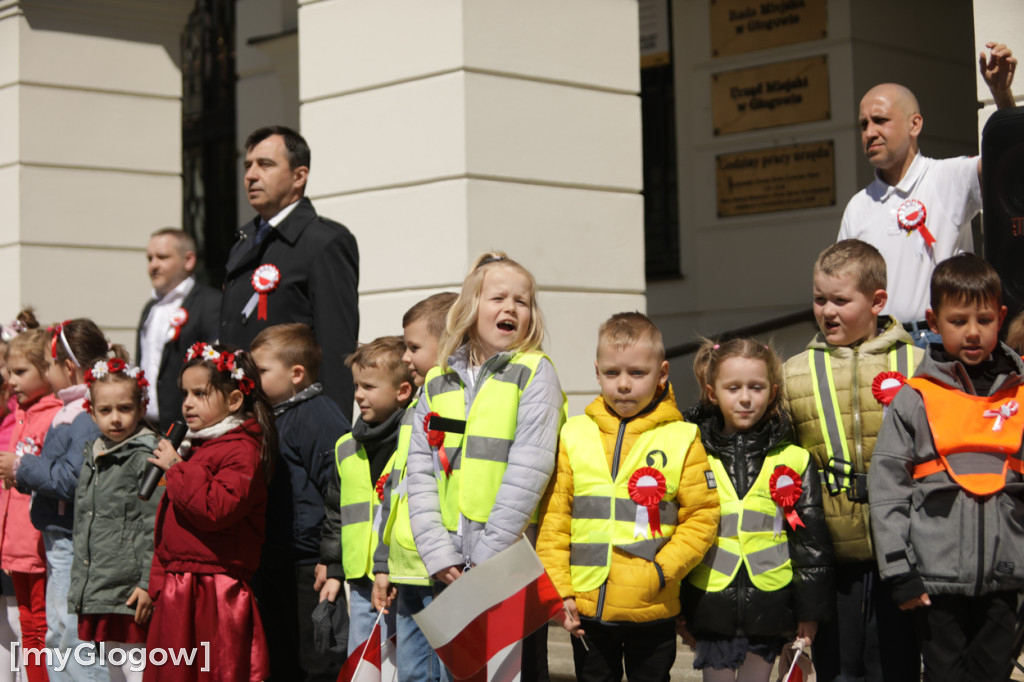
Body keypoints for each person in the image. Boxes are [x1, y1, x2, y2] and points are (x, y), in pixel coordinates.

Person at [407, 252, 568, 681]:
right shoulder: (439, 377)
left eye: (523, 301)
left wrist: (487, 556)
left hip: (503, 561)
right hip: (449, 560)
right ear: (471, 307)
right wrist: (436, 550)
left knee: (507, 674)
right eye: (499, 297)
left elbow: (529, 470)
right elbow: (419, 470)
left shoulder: (535, 373)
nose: (512, 308)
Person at [536, 312, 720, 682]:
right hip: (587, 606)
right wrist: (560, 591)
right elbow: (555, 521)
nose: (623, 384)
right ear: (597, 372)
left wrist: (663, 570)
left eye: (637, 374)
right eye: (612, 373)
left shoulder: (683, 436)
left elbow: (702, 516)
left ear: (662, 373)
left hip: (652, 606)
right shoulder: (574, 433)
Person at [870, 253, 1023, 681]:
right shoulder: (914, 397)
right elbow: (888, 489)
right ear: (934, 322)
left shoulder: (1021, 395)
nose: (973, 332)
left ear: (1001, 318)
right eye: (958, 321)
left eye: (985, 319)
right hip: (933, 582)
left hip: (1005, 577)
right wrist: (899, 570)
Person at [782, 240, 923, 681]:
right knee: (839, 670)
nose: (827, 311)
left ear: (877, 301)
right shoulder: (794, 371)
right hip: (832, 554)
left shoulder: (919, 362)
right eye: (820, 298)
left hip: (901, 550)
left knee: (895, 666)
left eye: (841, 300)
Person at [837, 42, 1016, 346]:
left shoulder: (949, 176)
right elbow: (843, 288)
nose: (869, 133)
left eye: (880, 120)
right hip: (878, 347)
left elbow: (1013, 165)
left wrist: (1001, 95)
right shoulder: (858, 206)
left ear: (914, 124)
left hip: (942, 344)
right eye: (863, 125)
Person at [682, 338, 833, 682]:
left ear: (773, 391)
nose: (746, 397)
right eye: (733, 388)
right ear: (711, 392)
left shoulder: (794, 459)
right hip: (710, 607)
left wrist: (808, 617)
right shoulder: (691, 453)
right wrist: (677, 609)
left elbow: (811, 546)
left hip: (771, 607)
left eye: (756, 387)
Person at [145, 343, 277, 682]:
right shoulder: (196, 448)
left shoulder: (242, 450)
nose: (187, 402)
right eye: (184, 393)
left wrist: (176, 468)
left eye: (200, 393)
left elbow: (215, 509)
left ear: (234, 400)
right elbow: (170, 528)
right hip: (180, 586)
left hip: (215, 590)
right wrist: (156, 584)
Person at [0, 320, 121, 681]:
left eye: (48, 363)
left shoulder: (81, 415)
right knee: (57, 633)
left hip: (69, 538)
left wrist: (23, 467)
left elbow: (71, 479)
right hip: (59, 536)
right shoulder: (71, 410)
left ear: (67, 368)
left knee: (69, 636)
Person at [220, 125, 359, 418]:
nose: (251, 175)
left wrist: (332, 431)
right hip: (239, 415)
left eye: (265, 164)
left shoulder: (324, 242)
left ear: (299, 176)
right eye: (248, 166)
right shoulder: (242, 243)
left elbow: (336, 348)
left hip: (293, 418)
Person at [249, 323, 350, 681]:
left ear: (296, 374)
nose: (251, 378)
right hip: (276, 556)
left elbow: (338, 489)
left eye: (260, 371)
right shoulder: (271, 416)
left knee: (315, 656)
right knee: (280, 653)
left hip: (309, 563)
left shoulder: (316, 417)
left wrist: (330, 558)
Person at [371, 292, 456, 682]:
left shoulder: (456, 405)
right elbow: (397, 493)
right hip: (407, 568)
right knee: (413, 673)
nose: (406, 357)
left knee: (442, 672)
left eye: (414, 347)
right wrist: (385, 564)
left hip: (440, 568)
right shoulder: (413, 413)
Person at [320, 337, 413, 655]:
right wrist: (333, 569)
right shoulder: (346, 446)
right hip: (359, 582)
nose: (359, 395)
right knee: (362, 663)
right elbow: (335, 512)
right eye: (357, 386)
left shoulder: (414, 442)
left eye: (369, 387)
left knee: (404, 666)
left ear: (402, 391)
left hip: (401, 578)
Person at [70, 360, 161, 682]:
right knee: (114, 665)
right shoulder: (94, 452)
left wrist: (148, 584)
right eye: (105, 410)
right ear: (91, 411)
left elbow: (155, 525)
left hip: (131, 585)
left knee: (137, 666)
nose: (116, 418)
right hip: (102, 581)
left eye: (124, 408)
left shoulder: (147, 456)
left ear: (141, 406)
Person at [0, 320, 59, 682]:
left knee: (38, 628)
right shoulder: (22, 414)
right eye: (9, 372)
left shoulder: (51, 416)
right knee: (27, 625)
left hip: (37, 542)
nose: (12, 380)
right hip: (18, 544)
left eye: (21, 371)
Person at [136, 228, 221, 432]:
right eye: (150, 258)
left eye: (162, 257)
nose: (153, 266)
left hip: (188, 429)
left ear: (188, 260)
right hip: (147, 427)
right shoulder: (150, 308)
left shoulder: (211, 304)